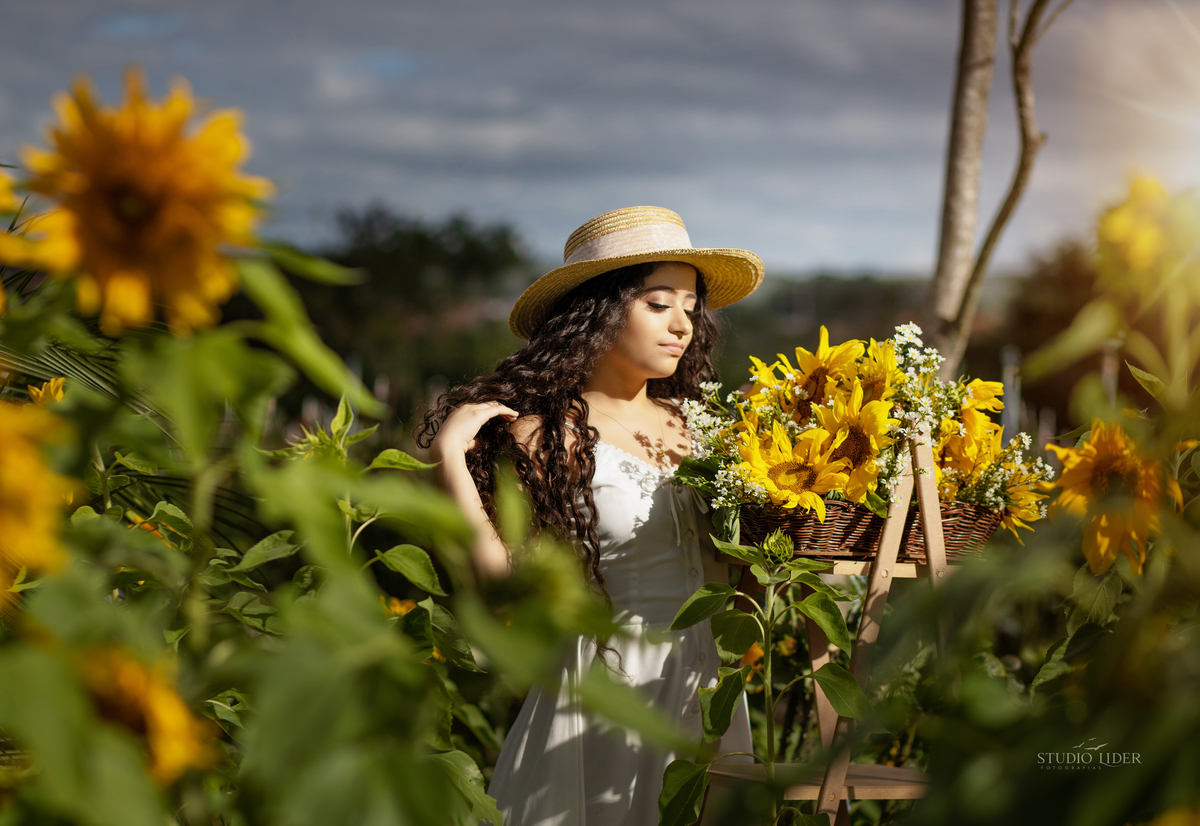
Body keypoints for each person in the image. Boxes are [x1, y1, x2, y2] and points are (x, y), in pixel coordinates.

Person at [419, 206, 764, 825]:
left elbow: (746, 573)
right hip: (603, 693)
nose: (682, 325)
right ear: (598, 312)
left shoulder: (705, 430)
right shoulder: (545, 434)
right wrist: (449, 458)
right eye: (658, 304)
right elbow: (503, 580)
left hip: (708, 691)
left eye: (691, 308)